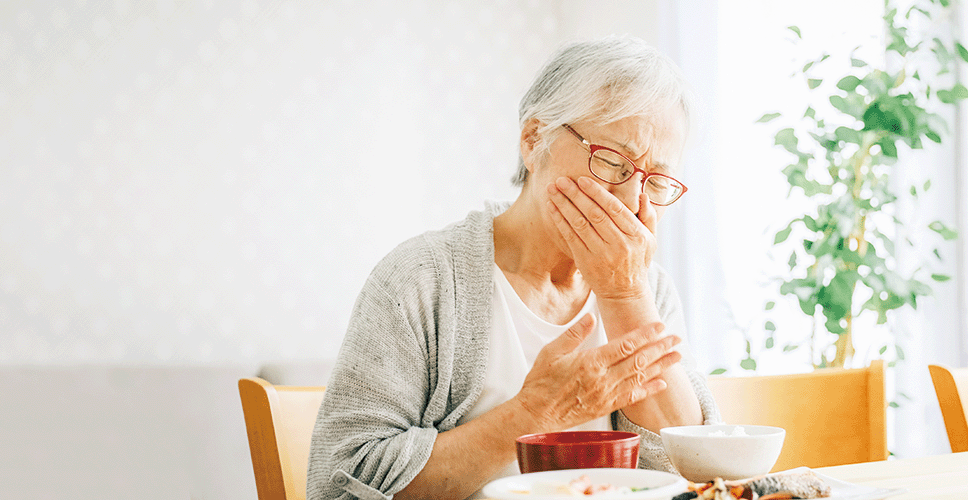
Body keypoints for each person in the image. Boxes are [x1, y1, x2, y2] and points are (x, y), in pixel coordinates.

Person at [306, 35, 721, 500]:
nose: (630, 202)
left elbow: (696, 472)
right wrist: (533, 413)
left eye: (656, 181)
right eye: (612, 163)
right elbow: (336, 487)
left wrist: (625, 294)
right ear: (533, 140)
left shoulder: (649, 288)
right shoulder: (421, 280)